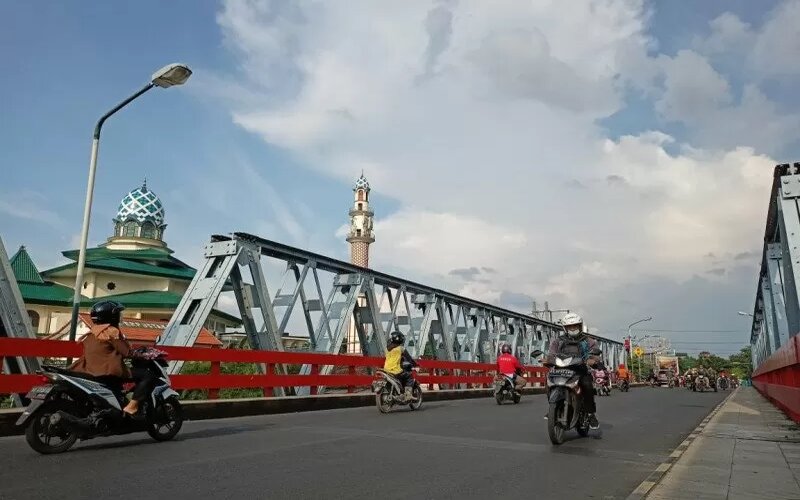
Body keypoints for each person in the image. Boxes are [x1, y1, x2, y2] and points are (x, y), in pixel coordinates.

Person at [70, 300, 156, 416]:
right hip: (109, 372)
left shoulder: (91, 333)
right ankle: (132, 406)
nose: (120, 317)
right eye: (118, 314)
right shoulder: (111, 332)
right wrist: (146, 354)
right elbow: (127, 352)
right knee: (148, 375)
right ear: (111, 316)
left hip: (90, 372)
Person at [545, 313, 600, 429]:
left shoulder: (588, 341)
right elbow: (551, 354)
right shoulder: (558, 341)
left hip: (580, 371)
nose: (573, 328)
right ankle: (552, 407)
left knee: (587, 385)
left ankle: (590, 414)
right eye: (570, 326)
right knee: (549, 381)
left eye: (575, 325)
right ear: (565, 328)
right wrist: (547, 360)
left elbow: (595, 353)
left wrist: (592, 360)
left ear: (580, 326)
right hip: (562, 369)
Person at [384, 331, 418, 401]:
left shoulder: (387, 349)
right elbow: (409, 358)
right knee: (409, 376)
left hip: (386, 370)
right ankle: (408, 395)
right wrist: (415, 364)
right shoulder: (401, 348)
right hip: (395, 370)